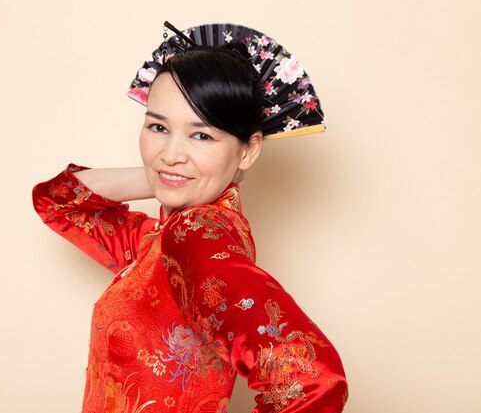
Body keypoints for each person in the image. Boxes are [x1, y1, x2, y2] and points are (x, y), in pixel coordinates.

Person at [33, 22, 348, 413]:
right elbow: (57, 200)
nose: (171, 151)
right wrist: (168, 176)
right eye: (158, 127)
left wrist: (180, 176)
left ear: (249, 149)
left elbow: (312, 381)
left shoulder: (195, 235)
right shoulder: (162, 242)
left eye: (202, 135)